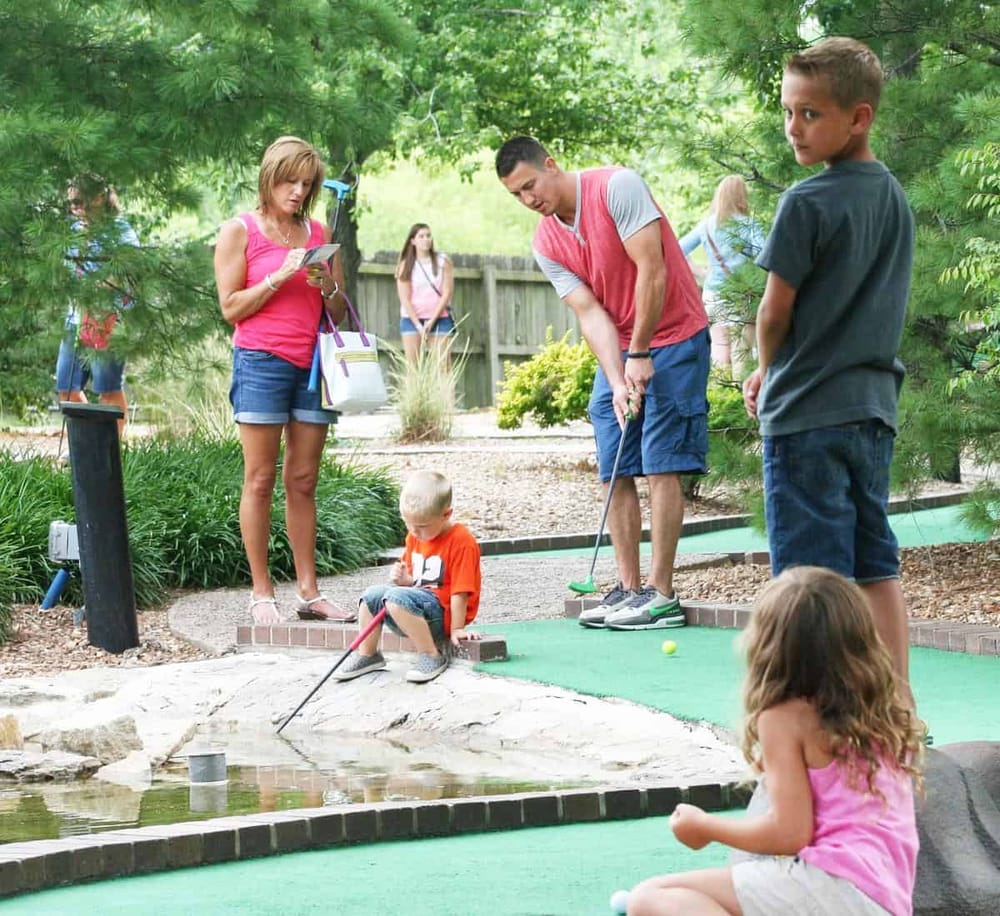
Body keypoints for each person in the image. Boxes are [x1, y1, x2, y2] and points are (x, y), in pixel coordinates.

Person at [741, 38, 916, 700]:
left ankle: (820, 720)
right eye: (788, 112)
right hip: (872, 410)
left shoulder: (806, 202)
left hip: (807, 413)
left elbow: (773, 311)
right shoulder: (893, 197)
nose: (794, 127)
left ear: (859, 117)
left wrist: (766, 370)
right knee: (875, 565)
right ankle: (899, 707)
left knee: (808, 585)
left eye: (810, 114)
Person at [495, 136, 709, 631]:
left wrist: (641, 353)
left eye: (530, 185)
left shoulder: (618, 188)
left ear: (551, 165)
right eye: (516, 194)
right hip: (622, 347)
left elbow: (652, 270)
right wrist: (617, 378)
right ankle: (629, 589)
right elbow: (590, 313)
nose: (528, 199)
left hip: (675, 336)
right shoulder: (546, 242)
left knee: (661, 463)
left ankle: (661, 596)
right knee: (615, 464)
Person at [627, 565, 923, 916]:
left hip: (832, 885)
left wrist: (705, 827)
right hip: (886, 900)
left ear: (768, 646)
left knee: (650, 897)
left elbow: (790, 832)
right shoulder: (883, 709)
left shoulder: (785, 717)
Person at [214, 135, 356, 625]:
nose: (298, 192)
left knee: (304, 480)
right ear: (269, 179)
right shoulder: (240, 231)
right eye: (290, 182)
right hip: (260, 363)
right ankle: (261, 593)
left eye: (307, 184)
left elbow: (338, 310)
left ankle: (309, 593)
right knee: (259, 478)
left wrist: (328, 286)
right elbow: (231, 307)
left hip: (312, 365)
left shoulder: (318, 233)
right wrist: (278, 276)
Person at [334, 470, 481, 684]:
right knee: (372, 595)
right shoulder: (415, 536)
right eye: (408, 523)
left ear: (446, 514)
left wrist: (457, 628)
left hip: (443, 614)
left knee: (395, 598)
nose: (414, 531)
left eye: (422, 526)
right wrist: (404, 580)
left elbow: (461, 591)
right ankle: (368, 654)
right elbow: (417, 582)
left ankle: (431, 654)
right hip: (415, 608)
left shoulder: (461, 541)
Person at [57, 174, 140, 436]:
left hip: (108, 319)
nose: (75, 208)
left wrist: (94, 287)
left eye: (79, 201)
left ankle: (113, 449)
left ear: (99, 198)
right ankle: (86, 444)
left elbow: (128, 270)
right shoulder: (74, 231)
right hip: (75, 319)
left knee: (108, 389)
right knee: (66, 387)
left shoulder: (120, 230)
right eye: (71, 202)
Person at [678, 176, 765, 378]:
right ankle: (738, 393)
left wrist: (700, 271)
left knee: (718, 348)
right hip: (743, 294)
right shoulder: (749, 225)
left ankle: (720, 393)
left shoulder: (706, 225)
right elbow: (764, 254)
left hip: (713, 294)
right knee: (741, 351)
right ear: (742, 196)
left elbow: (678, 249)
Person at [395, 223, 455, 365]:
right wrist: (418, 325)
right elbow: (405, 298)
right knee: (413, 366)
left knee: (443, 366)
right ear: (413, 241)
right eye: (421, 236)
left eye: (428, 236)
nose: (426, 239)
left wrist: (432, 321)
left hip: (439, 319)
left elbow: (447, 292)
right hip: (411, 320)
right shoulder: (405, 265)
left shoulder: (443, 261)